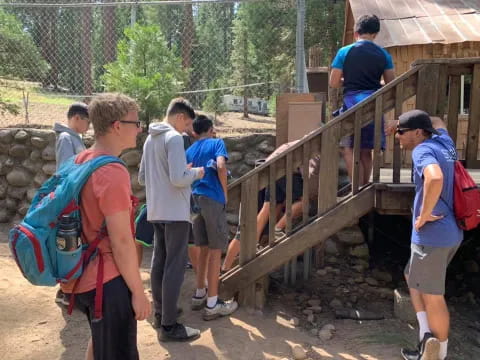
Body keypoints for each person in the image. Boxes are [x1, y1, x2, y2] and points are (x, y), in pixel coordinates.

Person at [72, 93, 151, 360]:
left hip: (82, 275)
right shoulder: (112, 172)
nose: (139, 129)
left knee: (100, 344)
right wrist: (139, 293)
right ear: (117, 126)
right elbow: (122, 241)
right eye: (136, 122)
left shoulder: (82, 159)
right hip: (107, 282)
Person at [394, 110, 462, 360]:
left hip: (432, 235)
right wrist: (401, 121)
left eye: (402, 132)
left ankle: (438, 354)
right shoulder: (444, 142)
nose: (397, 136)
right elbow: (438, 121)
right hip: (452, 231)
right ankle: (426, 336)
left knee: (433, 297)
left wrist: (422, 215)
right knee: (411, 274)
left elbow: (434, 178)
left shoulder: (422, 151)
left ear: (418, 133)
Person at [138, 97, 204, 341]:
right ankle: (169, 325)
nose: (188, 130)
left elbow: (143, 177)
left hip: (156, 210)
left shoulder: (150, 138)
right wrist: (195, 172)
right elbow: (178, 179)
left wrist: (174, 175)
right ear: (179, 117)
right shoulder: (174, 138)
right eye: (187, 124)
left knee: (159, 262)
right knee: (175, 265)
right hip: (176, 212)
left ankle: (160, 314)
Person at [330, 14, 395, 186]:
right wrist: (376, 83)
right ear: (375, 34)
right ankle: (365, 187)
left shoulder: (344, 52)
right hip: (374, 105)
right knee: (366, 151)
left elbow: (334, 82)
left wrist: (349, 80)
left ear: (356, 33)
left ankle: (355, 189)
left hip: (352, 104)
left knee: (350, 149)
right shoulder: (383, 54)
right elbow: (391, 83)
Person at [221, 140, 306, 272]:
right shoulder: (303, 156)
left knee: (261, 215)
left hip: (270, 171)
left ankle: (226, 267)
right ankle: (227, 267)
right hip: (271, 179)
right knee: (243, 231)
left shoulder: (287, 152)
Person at [186, 115, 238, 320]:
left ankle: (200, 294)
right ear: (210, 129)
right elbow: (221, 166)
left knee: (203, 247)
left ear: (194, 132)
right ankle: (213, 303)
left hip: (194, 199)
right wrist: (224, 193)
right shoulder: (217, 143)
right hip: (212, 198)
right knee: (216, 250)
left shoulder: (189, 149)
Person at [53, 102, 90, 306]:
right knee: (69, 245)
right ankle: (65, 292)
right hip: (70, 201)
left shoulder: (73, 138)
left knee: (74, 244)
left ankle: (69, 290)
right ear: (77, 118)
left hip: (76, 199)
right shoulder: (67, 138)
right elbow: (68, 171)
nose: (88, 126)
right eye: (87, 121)